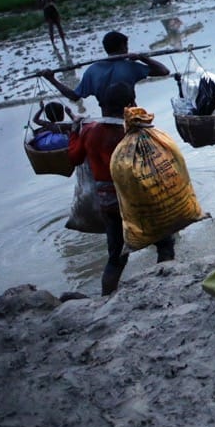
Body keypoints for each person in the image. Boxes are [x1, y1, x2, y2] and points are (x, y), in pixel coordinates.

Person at [68, 81, 175, 295]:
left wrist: (74, 132)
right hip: (141, 202)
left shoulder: (90, 132)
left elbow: (74, 157)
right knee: (165, 246)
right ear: (131, 103)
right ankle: (166, 287)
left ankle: (106, 299)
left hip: (109, 205)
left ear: (101, 104)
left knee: (116, 258)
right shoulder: (137, 132)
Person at [41, 30, 169, 111]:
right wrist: (143, 58)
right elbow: (164, 71)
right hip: (131, 114)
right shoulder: (130, 66)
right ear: (123, 47)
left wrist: (52, 79)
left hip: (107, 117)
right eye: (126, 46)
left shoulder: (92, 70)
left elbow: (74, 96)